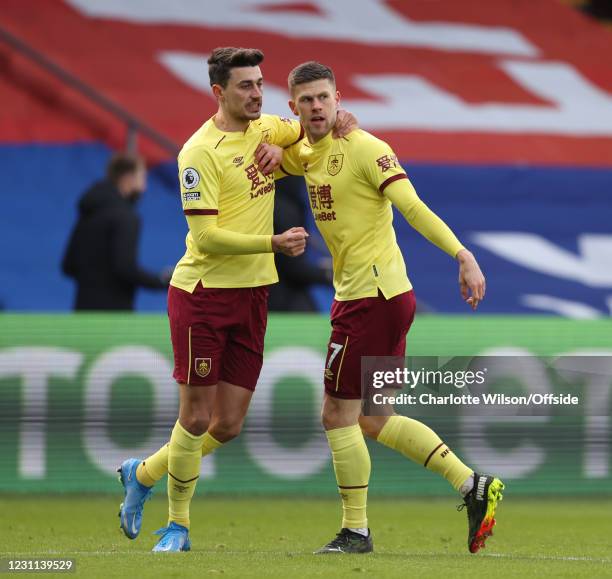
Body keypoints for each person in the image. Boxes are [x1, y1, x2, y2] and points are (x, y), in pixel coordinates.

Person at [116, 47, 356, 553]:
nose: (257, 94)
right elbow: (204, 239)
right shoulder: (197, 152)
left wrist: (342, 121)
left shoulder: (268, 129)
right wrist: (271, 243)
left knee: (228, 424)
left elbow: (313, 128)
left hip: (252, 295)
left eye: (260, 84)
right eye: (245, 86)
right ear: (218, 93)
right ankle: (177, 526)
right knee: (197, 417)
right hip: (202, 295)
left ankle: (143, 472)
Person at [278, 61, 504, 555]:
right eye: (305, 100)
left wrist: (462, 255)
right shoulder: (306, 153)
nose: (316, 107)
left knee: (337, 413)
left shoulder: (366, 147)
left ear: (338, 98)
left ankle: (355, 531)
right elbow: (280, 151)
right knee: (373, 418)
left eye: (323, 97)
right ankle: (472, 485)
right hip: (369, 297)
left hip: (373, 299)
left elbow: (413, 207)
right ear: (293, 106)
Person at [62, 153, 169, 310]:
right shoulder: (126, 217)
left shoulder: (89, 211)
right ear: (127, 178)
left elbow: (68, 265)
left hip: (82, 312)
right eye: (142, 178)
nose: (144, 187)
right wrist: (161, 282)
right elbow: (125, 268)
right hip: (114, 316)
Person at [268, 175, 332, 311]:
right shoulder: (285, 210)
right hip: (280, 300)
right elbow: (293, 267)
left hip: (267, 293)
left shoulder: (274, 204)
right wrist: (329, 274)